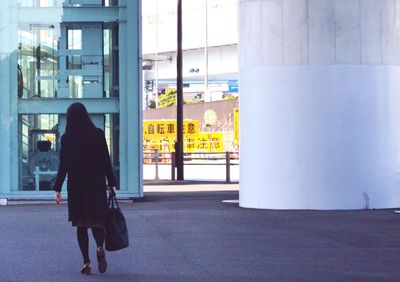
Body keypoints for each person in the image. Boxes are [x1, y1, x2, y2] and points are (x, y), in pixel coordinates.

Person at [54, 102, 117, 275]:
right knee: (97, 221)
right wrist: (112, 183)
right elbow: (106, 160)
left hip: (77, 187)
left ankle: (86, 262)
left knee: (81, 226)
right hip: (96, 186)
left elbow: (63, 165)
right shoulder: (98, 134)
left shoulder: (67, 138)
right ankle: (99, 247)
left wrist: (57, 188)